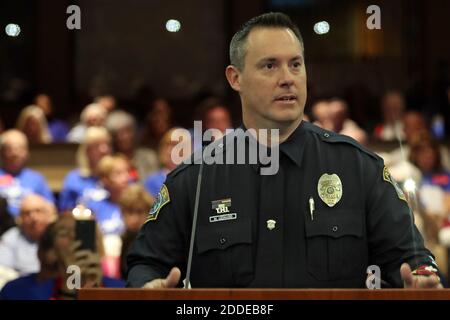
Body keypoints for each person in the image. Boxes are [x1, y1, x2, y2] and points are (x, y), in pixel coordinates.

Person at [127, 12, 441, 289]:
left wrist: (422, 277)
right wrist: (148, 286)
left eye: (295, 64)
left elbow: (412, 259)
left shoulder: (359, 168)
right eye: (270, 66)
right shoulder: (195, 178)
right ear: (235, 78)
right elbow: (146, 265)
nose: (287, 79)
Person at [0, 215, 125, 300]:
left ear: (99, 246)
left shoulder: (124, 290)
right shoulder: (20, 291)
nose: (74, 236)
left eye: (84, 232)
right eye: (64, 232)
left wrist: (95, 290)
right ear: (49, 251)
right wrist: (71, 284)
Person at [0, 194, 56, 288]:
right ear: (20, 218)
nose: (33, 217)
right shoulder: (11, 237)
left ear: (49, 215)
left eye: (38, 211)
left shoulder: (58, 238)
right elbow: (2, 271)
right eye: (27, 213)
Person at [0, 130, 55, 217]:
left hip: (29, 226)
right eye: (9, 149)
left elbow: (50, 209)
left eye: (19, 148)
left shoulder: (37, 179)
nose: (15, 153)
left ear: (27, 152)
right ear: (2, 152)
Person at [58, 127, 111, 213]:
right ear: (87, 151)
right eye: (97, 145)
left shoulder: (117, 175)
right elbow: (65, 214)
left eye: (107, 144)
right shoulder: (74, 179)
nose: (104, 150)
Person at [106, 110, 159, 182]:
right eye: (119, 133)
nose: (125, 137)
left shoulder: (148, 156)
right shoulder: (110, 160)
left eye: (128, 131)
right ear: (113, 137)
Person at [118, 184, 154, 279]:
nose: (134, 219)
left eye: (139, 212)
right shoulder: (126, 238)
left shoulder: (153, 241)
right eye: (129, 212)